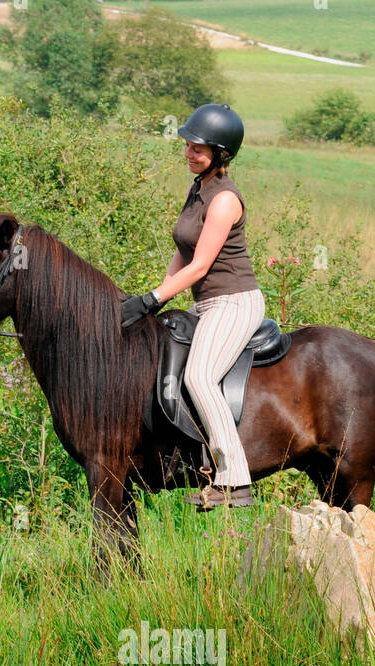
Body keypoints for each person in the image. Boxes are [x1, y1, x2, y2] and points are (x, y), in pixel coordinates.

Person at [120, 103, 266, 510]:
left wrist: (154, 299)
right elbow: (185, 253)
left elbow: (203, 264)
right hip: (207, 304)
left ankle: (234, 481)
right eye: (187, 145)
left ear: (221, 154)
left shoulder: (224, 201)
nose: (188, 152)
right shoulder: (198, 188)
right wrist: (154, 295)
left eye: (198, 148)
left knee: (200, 378)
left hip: (234, 303)